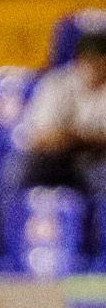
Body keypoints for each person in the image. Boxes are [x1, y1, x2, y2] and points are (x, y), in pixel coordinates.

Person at [12, 30, 106, 194]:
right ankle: (9, 217)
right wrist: (84, 138)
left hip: (96, 161)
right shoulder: (57, 82)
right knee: (16, 167)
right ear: (79, 60)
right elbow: (40, 137)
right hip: (53, 158)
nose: (94, 64)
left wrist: (72, 137)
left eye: (100, 59)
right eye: (89, 58)